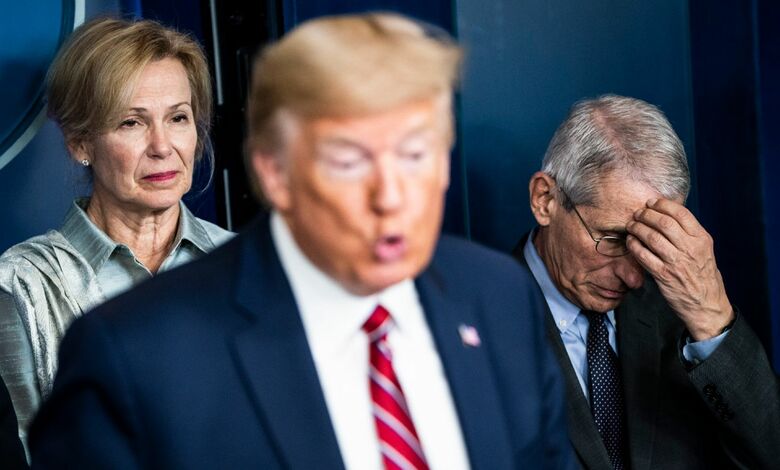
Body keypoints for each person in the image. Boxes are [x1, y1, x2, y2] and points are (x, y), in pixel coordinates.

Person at [29, 13, 575, 469]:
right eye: (349, 162)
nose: (390, 196)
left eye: (415, 154)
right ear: (273, 172)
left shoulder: (499, 298)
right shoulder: (135, 353)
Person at [0, 17, 233, 450]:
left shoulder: (244, 264)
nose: (163, 146)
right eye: (132, 122)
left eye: (178, 117)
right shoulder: (19, 285)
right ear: (80, 142)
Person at [513, 94, 779, 469]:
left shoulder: (681, 312)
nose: (635, 276)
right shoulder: (480, 317)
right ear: (545, 200)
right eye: (613, 240)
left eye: (650, 243)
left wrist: (711, 316)